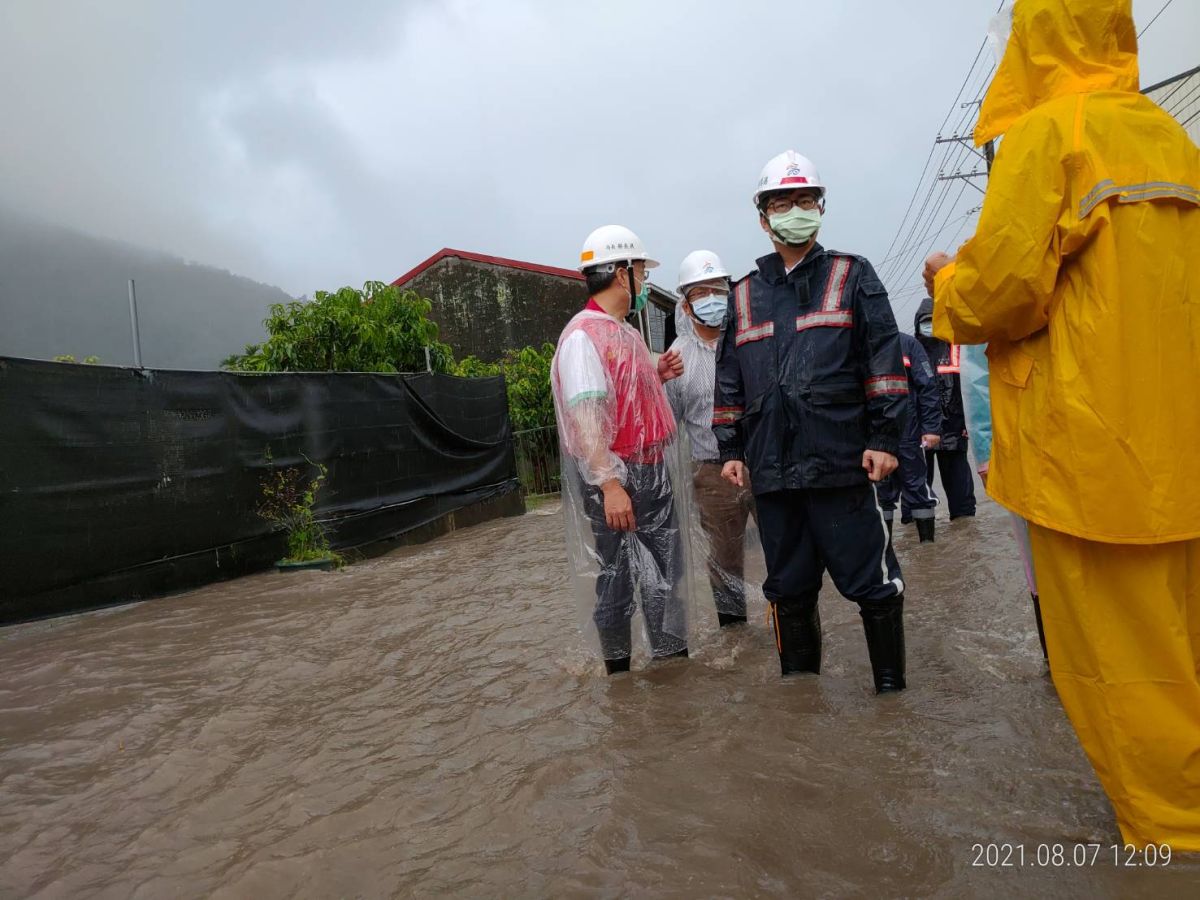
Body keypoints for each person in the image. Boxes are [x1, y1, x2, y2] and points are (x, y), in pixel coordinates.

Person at [924, 0, 1200, 849]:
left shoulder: (1052, 133)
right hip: (1179, 446)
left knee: (1124, 672)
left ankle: (1172, 842)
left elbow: (1001, 292)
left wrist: (944, 282)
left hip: (1092, 452)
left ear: (1036, 39)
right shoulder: (1168, 135)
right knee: (1186, 645)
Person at [713, 150, 910, 693]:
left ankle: (891, 695)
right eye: (782, 204)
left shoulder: (852, 275)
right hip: (773, 474)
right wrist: (731, 449)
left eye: (804, 200)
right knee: (789, 590)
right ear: (763, 218)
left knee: (873, 584)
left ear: (820, 209)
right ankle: (801, 698)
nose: (794, 211)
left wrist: (884, 438)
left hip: (842, 465)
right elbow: (729, 380)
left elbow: (883, 361)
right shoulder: (743, 293)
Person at [551, 225, 691, 675]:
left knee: (664, 575)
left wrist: (657, 373)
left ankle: (671, 670)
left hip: (650, 470)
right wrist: (610, 485)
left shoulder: (624, 332)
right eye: (642, 273)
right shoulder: (582, 337)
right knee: (617, 580)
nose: (644, 282)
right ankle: (620, 678)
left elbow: (626, 396)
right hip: (617, 477)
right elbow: (587, 418)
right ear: (621, 273)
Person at [665, 250, 757, 626]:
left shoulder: (750, 340)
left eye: (717, 289)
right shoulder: (676, 358)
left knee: (788, 547)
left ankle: (791, 627)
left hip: (763, 461)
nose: (711, 298)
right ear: (686, 306)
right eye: (700, 292)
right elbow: (669, 425)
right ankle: (735, 637)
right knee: (724, 560)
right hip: (712, 473)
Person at [959, 343, 1045, 661]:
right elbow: (977, 371)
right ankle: (1057, 661)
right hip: (1029, 443)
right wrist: (985, 452)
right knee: (1042, 564)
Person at [913, 299, 976, 521]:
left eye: (933, 320)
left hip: (954, 429)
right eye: (925, 321)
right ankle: (921, 534)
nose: (929, 325)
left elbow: (971, 388)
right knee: (916, 492)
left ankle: (965, 530)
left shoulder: (957, 347)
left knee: (962, 498)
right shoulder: (910, 349)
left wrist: (968, 424)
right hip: (919, 433)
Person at [876, 332, 941, 543]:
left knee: (916, 486)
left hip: (909, 431)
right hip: (875, 432)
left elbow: (928, 387)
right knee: (880, 491)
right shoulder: (860, 343)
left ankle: (928, 550)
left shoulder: (908, 344)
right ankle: (886, 549)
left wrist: (931, 428)